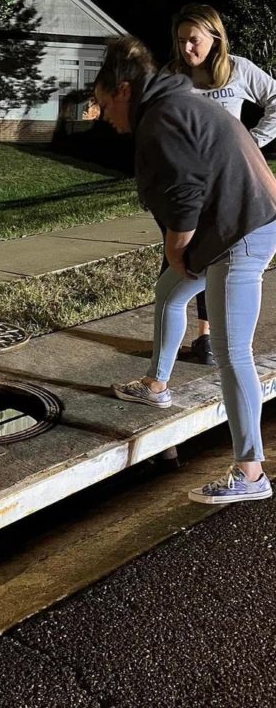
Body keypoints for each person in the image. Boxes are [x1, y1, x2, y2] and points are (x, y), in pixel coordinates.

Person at [94, 35, 276, 505]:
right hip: (235, 220)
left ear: (125, 91)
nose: (105, 117)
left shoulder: (163, 116)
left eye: (104, 103)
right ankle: (156, 385)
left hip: (241, 231)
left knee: (232, 351)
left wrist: (178, 249)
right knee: (170, 292)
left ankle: (251, 472)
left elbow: (185, 190)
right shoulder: (175, 100)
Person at [163, 3, 276, 365]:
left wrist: (253, 140)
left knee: (210, 260)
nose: (186, 49)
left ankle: (207, 340)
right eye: (180, 41)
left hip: (231, 186)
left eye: (193, 41)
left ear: (214, 38)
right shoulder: (174, 75)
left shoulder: (239, 69)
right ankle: (166, 363)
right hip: (188, 187)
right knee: (180, 265)